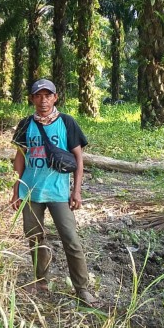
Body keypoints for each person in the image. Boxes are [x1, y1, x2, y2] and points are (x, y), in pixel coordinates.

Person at [10, 78, 96, 306]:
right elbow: (20, 157)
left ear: (55, 98)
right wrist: (16, 187)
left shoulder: (67, 123)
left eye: (48, 95)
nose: (43, 100)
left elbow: (78, 158)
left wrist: (76, 191)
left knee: (71, 240)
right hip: (31, 191)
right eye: (38, 96)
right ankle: (41, 282)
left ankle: (82, 288)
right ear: (32, 99)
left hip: (58, 193)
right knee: (35, 239)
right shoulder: (26, 124)